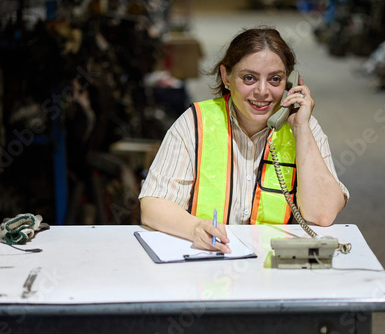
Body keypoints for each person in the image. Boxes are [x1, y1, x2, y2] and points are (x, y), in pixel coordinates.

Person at [139, 27, 349, 254]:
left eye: (275, 79)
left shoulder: (304, 127)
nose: (262, 91)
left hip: (275, 269)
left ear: (290, 82)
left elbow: (323, 214)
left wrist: (301, 130)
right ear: (226, 76)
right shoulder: (195, 123)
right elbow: (152, 206)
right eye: (249, 77)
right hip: (211, 263)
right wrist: (195, 228)